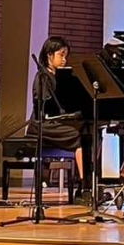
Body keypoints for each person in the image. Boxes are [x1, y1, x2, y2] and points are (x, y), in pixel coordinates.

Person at [30, 36, 94, 202]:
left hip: (58, 122)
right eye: (61, 55)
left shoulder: (63, 77)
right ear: (49, 55)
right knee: (77, 135)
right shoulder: (42, 77)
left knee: (90, 132)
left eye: (66, 56)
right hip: (43, 123)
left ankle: (88, 184)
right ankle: (84, 186)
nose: (64, 59)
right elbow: (43, 106)